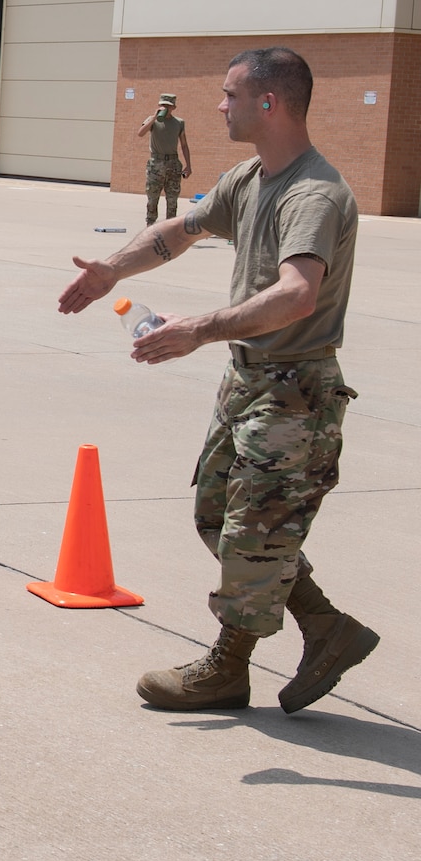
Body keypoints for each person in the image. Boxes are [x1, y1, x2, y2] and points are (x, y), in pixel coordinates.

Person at [57, 47, 376, 713]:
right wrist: (114, 268)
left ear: (271, 103)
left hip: (296, 392)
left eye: (231, 94)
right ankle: (326, 627)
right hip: (251, 382)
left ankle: (228, 666)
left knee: (252, 534)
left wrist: (200, 328)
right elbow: (182, 226)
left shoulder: (314, 194)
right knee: (215, 515)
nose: (220, 105)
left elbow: (297, 294)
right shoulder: (251, 178)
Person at [133, 93, 192, 225]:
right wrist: (154, 117)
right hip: (156, 164)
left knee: (172, 199)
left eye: (168, 106)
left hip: (173, 164)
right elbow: (140, 133)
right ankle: (150, 226)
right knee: (153, 198)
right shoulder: (152, 120)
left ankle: (169, 228)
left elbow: (184, 144)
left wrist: (188, 165)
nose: (165, 108)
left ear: (174, 107)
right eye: (163, 105)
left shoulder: (179, 123)